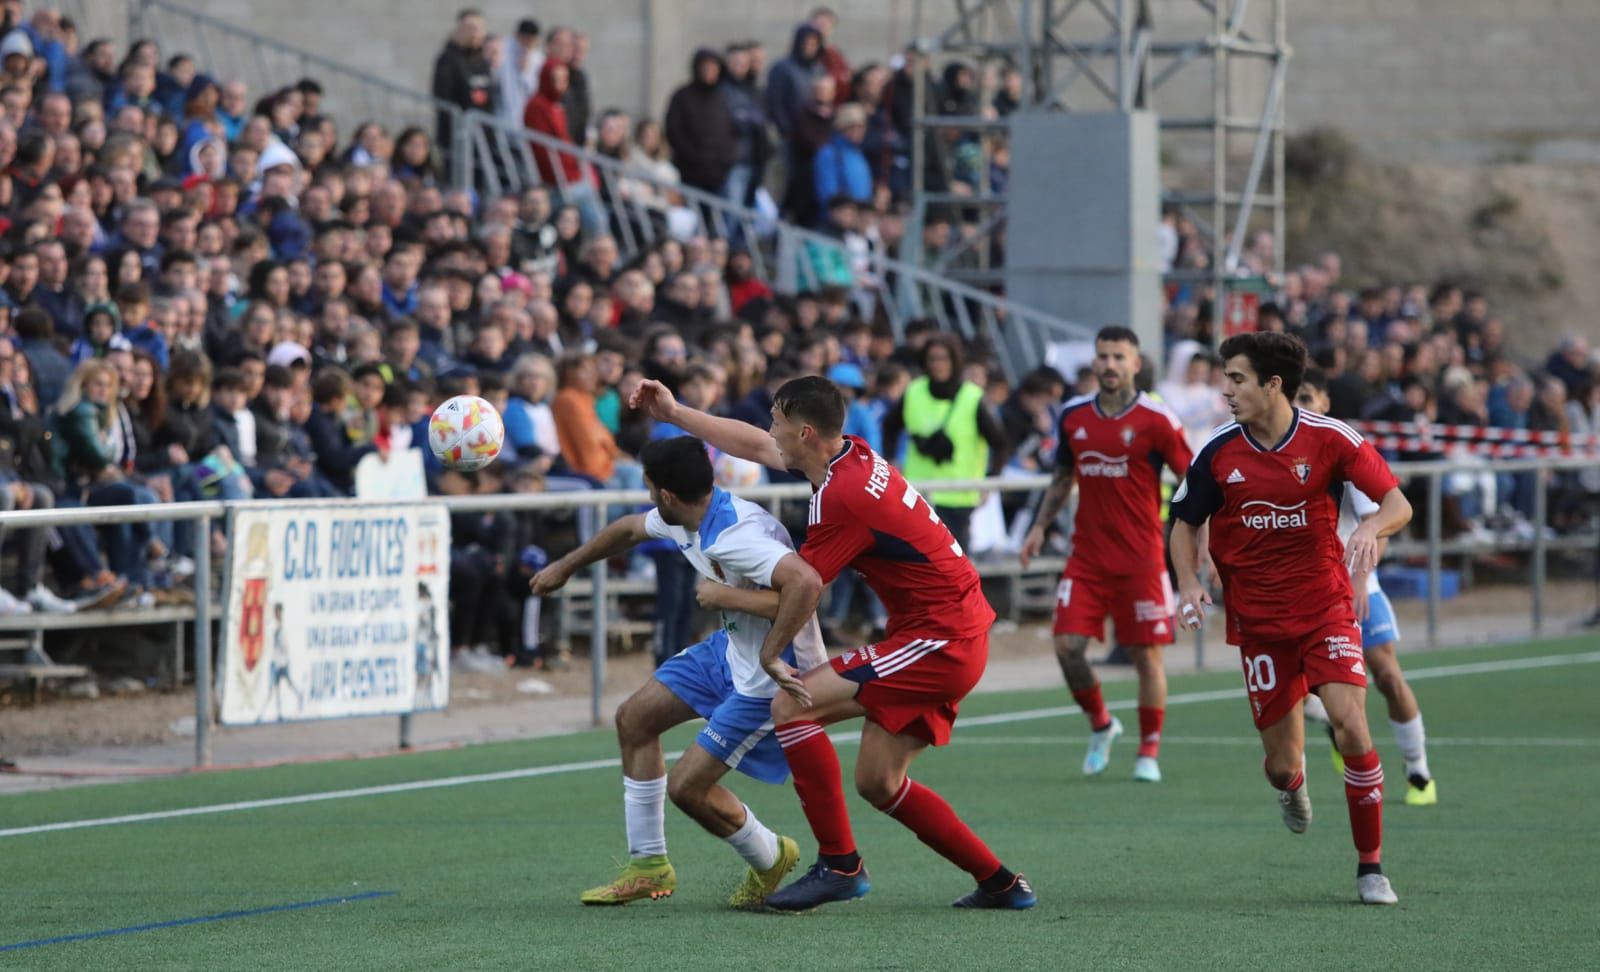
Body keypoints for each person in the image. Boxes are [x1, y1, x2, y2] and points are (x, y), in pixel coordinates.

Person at [630, 375, 1034, 911]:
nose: (768, 430)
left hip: (941, 638)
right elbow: (753, 444)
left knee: (790, 704)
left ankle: (840, 866)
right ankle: (1002, 883)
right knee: (879, 781)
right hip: (945, 631)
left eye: (776, 420)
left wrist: (724, 596)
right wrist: (677, 412)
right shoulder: (850, 457)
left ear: (804, 431)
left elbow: (800, 594)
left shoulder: (841, 499)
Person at [1169, 331, 1412, 906]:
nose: (1225, 389)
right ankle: (1292, 784)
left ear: (1272, 385)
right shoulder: (1218, 452)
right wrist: (1186, 582)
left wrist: (1371, 528)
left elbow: (1397, 502)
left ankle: (1371, 868)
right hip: (1258, 623)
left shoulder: (1332, 440)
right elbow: (1182, 522)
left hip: (1325, 607)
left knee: (1352, 724)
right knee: (1281, 766)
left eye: (1236, 379)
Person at [530, 436, 824, 907]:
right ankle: (648, 864)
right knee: (635, 719)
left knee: (688, 789)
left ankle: (772, 856)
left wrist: (728, 599)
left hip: (772, 679)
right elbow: (627, 530)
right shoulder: (690, 515)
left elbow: (807, 588)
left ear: (666, 494)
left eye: (649, 489)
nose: (648, 498)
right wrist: (566, 566)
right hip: (728, 651)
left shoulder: (734, 536)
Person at [1018, 327, 1192, 781]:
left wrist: (1199, 546)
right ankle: (1101, 724)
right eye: (1103, 356)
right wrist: (1039, 528)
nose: (1109, 364)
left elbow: (1193, 481)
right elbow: (1061, 477)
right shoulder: (1074, 416)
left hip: (1142, 559)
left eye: (1118, 356)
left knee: (1145, 656)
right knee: (1066, 646)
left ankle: (1148, 751)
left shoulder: (1157, 419)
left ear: (1136, 363)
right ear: (1094, 363)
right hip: (1087, 559)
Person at [1295, 369, 1437, 806]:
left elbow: (1383, 519)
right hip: (1301, 593)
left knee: (1388, 676)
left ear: (1325, 402)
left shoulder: (1339, 447)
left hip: (1357, 586)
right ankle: (1337, 732)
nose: (1299, 406)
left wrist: (1359, 577)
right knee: (1300, 689)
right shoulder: (1264, 451)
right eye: (1293, 397)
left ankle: (1417, 770)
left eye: (1307, 396)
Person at [881, 334, 1007, 554]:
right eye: (932, 359)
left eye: (943, 359)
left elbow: (1001, 444)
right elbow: (889, 426)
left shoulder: (972, 397)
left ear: (954, 361)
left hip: (958, 497)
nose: (937, 365)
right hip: (916, 496)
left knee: (955, 568)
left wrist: (990, 482)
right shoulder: (913, 392)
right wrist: (891, 460)